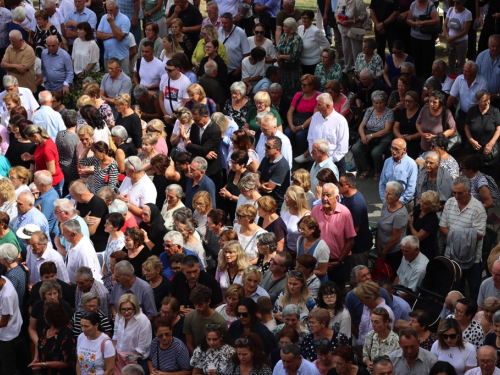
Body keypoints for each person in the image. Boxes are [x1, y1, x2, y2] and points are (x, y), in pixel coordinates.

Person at [439, 177, 487, 299]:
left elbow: (479, 235)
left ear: (469, 191)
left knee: (474, 290)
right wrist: (464, 235)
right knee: (455, 289)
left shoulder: (478, 209)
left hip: (472, 258)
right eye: (454, 192)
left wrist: (454, 234)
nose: (456, 196)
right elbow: (442, 227)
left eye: (460, 193)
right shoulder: (450, 203)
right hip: (451, 255)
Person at [311, 183, 356, 285]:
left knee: (340, 291)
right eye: (323, 195)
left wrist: (339, 261)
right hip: (319, 262)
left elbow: (350, 241)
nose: (325, 198)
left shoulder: (345, 213)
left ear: (336, 197)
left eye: (328, 195)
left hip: (339, 262)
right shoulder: (315, 210)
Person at [352, 90, 395, 181]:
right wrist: (363, 136)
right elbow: (361, 126)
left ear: (385, 102)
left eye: (381, 103)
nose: (378, 105)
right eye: (376, 103)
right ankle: (366, 168)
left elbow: (387, 130)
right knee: (356, 149)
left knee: (376, 153)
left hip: (383, 138)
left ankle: (378, 172)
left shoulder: (389, 113)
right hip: (367, 136)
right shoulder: (369, 111)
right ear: (373, 103)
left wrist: (371, 136)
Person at [302, 93, 348, 173]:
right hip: (316, 161)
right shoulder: (316, 116)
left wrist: (328, 161)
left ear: (328, 106)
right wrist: (313, 154)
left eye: (319, 105)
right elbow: (310, 138)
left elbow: (342, 148)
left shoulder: (340, 120)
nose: (317, 107)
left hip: (335, 163)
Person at [183, 104, 223, 192]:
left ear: (205, 116)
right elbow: (200, 149)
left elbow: (203, 149)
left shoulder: (215, 130)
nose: (195, 122)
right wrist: (204, 152)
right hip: (196, 166)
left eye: (197, 120)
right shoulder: (194, 126)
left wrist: (189, 145)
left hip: (211, 169)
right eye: (194, 120)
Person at [28, 302, 76, 375]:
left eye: (45, 315)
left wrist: (43, 364)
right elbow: (40, 344)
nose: (44, 316)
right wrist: (36, 358)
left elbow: (65, 363)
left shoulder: (67, 334)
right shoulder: (46, 329)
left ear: (52, 317)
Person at [465, 90, 500, 179]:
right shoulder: (472, 111)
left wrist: (490, 144)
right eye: (484, 101)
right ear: (477, 101)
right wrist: (471, 141)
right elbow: (467, 127)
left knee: (491, 177)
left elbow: (498, 129)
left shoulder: (495, 111)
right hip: (474, 151)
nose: (487, 102)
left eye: (488, 99)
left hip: (490, 152)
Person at [112, 294, 152, 373]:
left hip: (136, 361)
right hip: (118, 360)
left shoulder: (143, 321)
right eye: (123, 309)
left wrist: (125, 360)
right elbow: (115, 337)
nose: (126, 312)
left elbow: (141, 349)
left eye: (129, 309)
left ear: (135, 308)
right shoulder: (119, 316)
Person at [379, 138, 418, 207]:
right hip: (388, 202)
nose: (393, 151)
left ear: (404, 150)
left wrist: (399, 202)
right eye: (392, 148)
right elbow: (382, 183)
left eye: (396, 149)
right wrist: (384, 199)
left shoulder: (411, 164)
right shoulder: (387, 161)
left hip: (404, 203)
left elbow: (411, 188)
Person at [406, 0, 440, 78]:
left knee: (427, 59)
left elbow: (436, 20)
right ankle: (417, 76)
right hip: (414, 36)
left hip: (426, 38)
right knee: (416, 58)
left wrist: (423, 23)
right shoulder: (413, 4)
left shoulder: (430, 5)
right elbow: (408, 20)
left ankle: (427, 77)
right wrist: (414, 23)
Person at [75, 310, 115, 375]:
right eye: (81, 326)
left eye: (86, 326)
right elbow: (78, 362)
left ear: (96, 325)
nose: (83, 329)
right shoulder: (81, 337)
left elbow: (110, 370)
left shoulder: (106, 343)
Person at [257, 136, 291, 212]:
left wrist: (259, 183)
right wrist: (260, 185)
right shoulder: (266, 158)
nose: (265, 148)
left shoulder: (282, 165)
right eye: (265, 145)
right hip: (264, 201)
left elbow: (269, 187)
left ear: (277, 149)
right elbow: (257, 175)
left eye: (268, 147)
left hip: (275, 205)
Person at [96, 0, 130, 73]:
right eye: (107, 10)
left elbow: (120, 37)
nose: (109, 12)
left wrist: (111, 22)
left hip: (121, 57)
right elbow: (98, 35)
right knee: (109, 79)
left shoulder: (125, 19)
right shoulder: (104, 18)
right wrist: (113, 34)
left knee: (123, 79)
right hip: (108, 56)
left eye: (111, 10)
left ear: (117, 9)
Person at [363, 307, 400, 371]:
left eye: (377, 322)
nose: (373, 325)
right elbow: (365, 355)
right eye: (372, 321)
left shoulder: (396, 341)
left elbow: (397, 364)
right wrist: (368, 362)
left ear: (386, 322)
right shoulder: (370, 336)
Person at [275, 17, 303, 98]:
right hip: (282, 67)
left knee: (293, 91)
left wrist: (281, 56)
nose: (283, 28)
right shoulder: (284, 36)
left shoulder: (297, 39)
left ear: (291, 28)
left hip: (293, 70)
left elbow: (295, 56)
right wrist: (279, 59)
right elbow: (277, 48)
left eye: (285, 26)